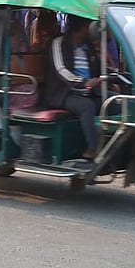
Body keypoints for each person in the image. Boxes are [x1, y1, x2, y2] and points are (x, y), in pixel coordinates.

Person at [45, 16, 104, 161]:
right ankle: (93, 148)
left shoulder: (89, 47)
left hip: (88, 91)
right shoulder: (58, 43)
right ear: (84, 27)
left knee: (118, 102)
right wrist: (84, 82)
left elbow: (99, 69)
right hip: (63, 94)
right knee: (86, 106)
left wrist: (108, 78)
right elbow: (61, 71)